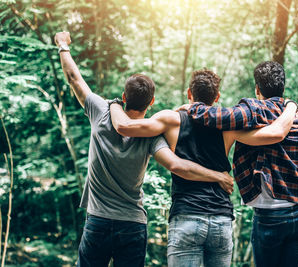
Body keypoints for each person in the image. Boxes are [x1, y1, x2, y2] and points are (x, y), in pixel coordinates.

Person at [54, 31, 236, 267]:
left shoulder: (100, 110)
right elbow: (176, 165)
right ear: (151, 103)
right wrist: (217, 176)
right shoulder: (152, 136)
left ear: (123, 96)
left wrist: (62, 45)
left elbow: (73, 77)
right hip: (132, 224)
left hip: (98, 220)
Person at [185, 48, 298, 267]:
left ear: (257, 89)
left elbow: (214, 116)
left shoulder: (254, 110)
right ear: (282, 88)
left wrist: (193, 106)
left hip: (270, 218)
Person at [110, 69, 298, 266]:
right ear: (216, 97)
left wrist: (114, 104)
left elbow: (126, 127)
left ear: (189, 93)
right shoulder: (229, 125)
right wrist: (291, 108)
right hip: (221, 219)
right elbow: (273, 134)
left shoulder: (171, 119)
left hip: (186, 217)